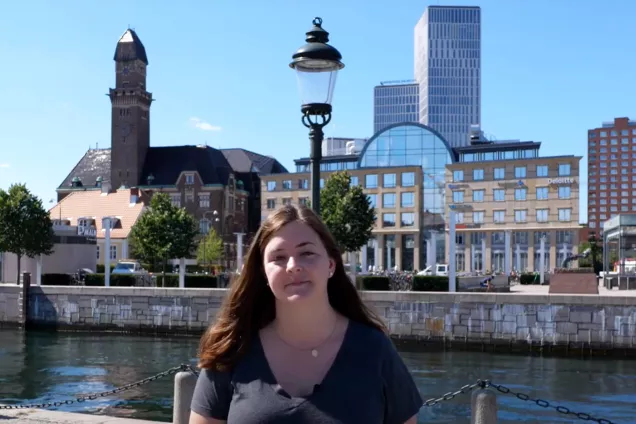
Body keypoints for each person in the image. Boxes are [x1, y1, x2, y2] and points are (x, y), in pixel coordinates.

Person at [189, 204, 423, 423]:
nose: (293, 265)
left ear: (331, 265)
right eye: (279, 257)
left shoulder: (374, 349)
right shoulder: (231, 350)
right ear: (263, 272)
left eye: (307, 253)